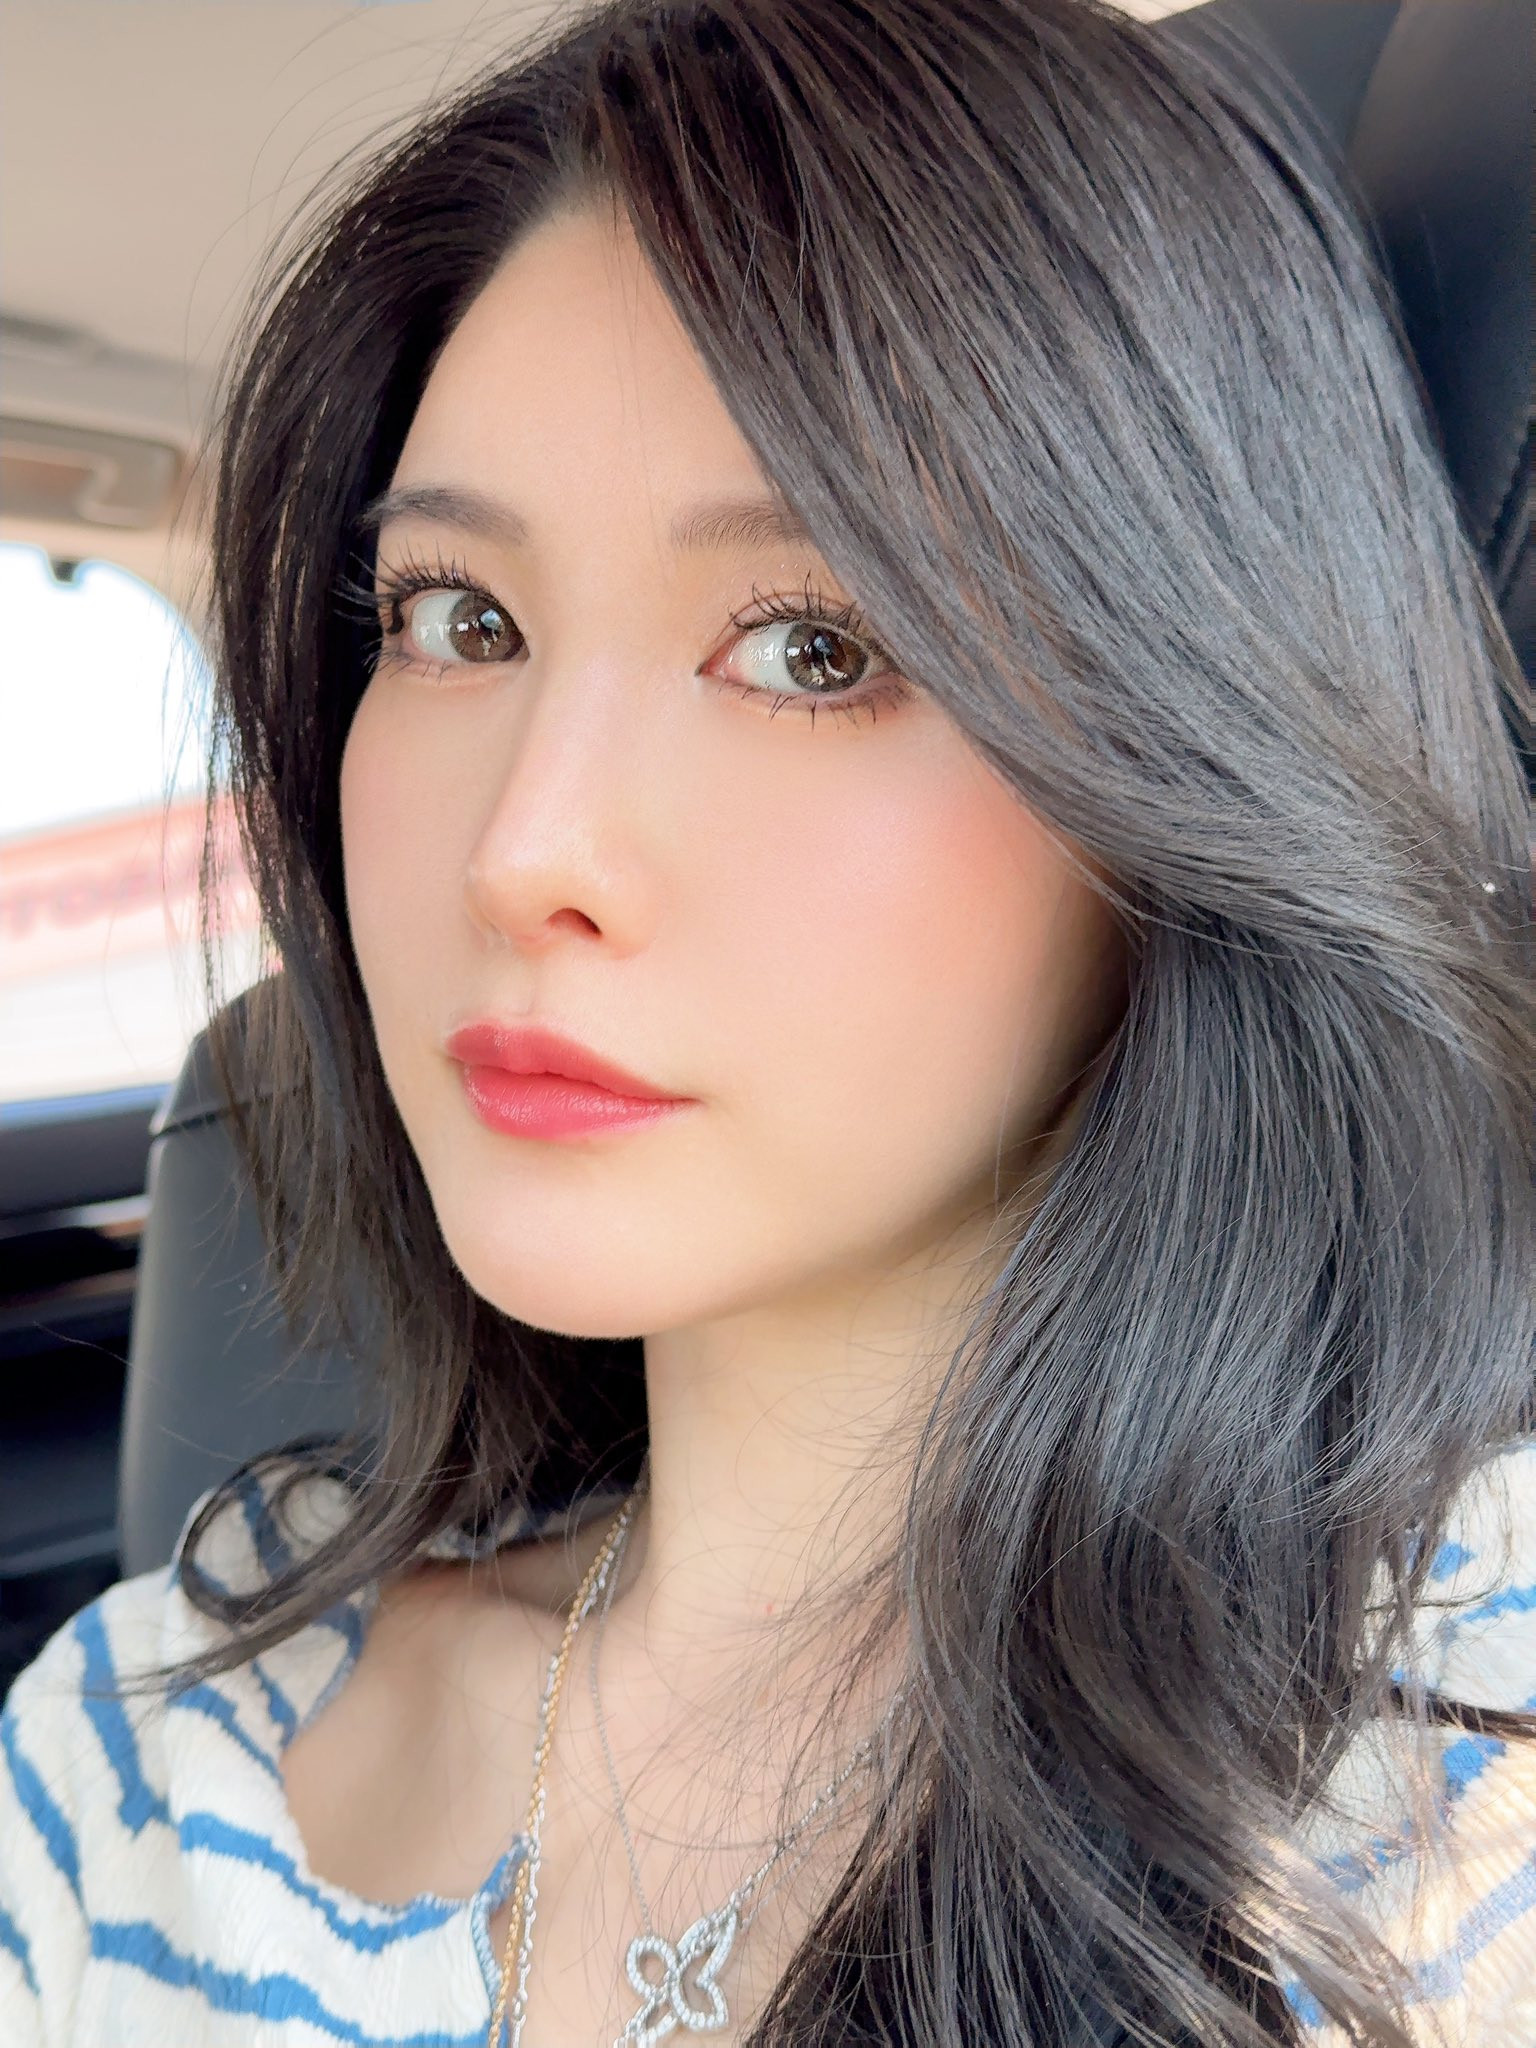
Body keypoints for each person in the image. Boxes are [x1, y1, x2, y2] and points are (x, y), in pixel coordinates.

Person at [3, 0, 1532, 2042]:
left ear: (1190, 760)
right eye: (460, 619)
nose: (521, 851)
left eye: (814, 648)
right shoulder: (140, 1743)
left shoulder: (1452, 1807)